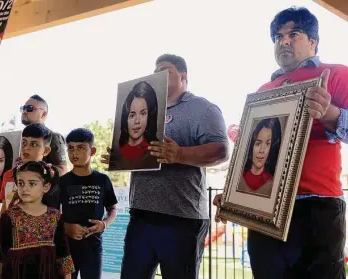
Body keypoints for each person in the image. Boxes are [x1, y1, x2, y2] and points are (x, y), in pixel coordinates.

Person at [213, 7, 348, 279]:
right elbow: (253, 155)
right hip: (264, 210)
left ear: (313, 41)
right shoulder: (263, 91)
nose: (283, 41)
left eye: (293, 34)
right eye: (277, 36)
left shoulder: (337, 75)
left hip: (317, 206)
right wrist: (234, 196)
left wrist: (331, 114)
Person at [102, 54, 229, 279]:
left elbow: (221, 151)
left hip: (182, 218)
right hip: (140, 214)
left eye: (165, 70)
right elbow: (139, 151)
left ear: (183, 76)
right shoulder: (145, 110)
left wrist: (180, 153)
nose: (157, 74)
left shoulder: (203, 108)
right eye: (155, 70)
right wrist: (121, 155)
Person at [0, 161, 75, 279]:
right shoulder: (9, 216)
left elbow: (63, 252)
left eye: (32, 184)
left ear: (46, 187)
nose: (25, 188)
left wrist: (67, 276)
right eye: (21, 183)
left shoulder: (55, 216)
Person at [60, 128, 118, 279]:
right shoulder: (62, 182)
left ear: (92, 151)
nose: (74, 153)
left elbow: (112, 208)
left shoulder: (102, 180)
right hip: (66, 249)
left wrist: (104, 224)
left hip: (93, 247)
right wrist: (66, 227)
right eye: (71, 148)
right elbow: (50, 213)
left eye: (80, 148)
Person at [0, 94, 67, 175]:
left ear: (43, 114)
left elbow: (62, 170)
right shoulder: (17, 138)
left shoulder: (54, 137)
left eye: (30, 108)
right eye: (23, 108)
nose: (24, 111)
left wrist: (39, 170)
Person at [0, 123, 61, 213]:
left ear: (46, 151)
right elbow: (5, 207)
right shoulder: (8, 175)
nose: (26, 148)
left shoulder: (51, 176)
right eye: (24, 143)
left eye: (34, 144)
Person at [112, 81, 159, 170]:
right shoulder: (118, 152)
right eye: (132, 115)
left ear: (149, 116)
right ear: (125, 118)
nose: (137, 121)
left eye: (143, 113)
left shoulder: (154, 153)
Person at [237, 117, 282, 197]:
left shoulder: (274, 182)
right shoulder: (238, 178)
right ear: (251, 146)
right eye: (258, 143)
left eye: (267, 144)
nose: (262, 150)